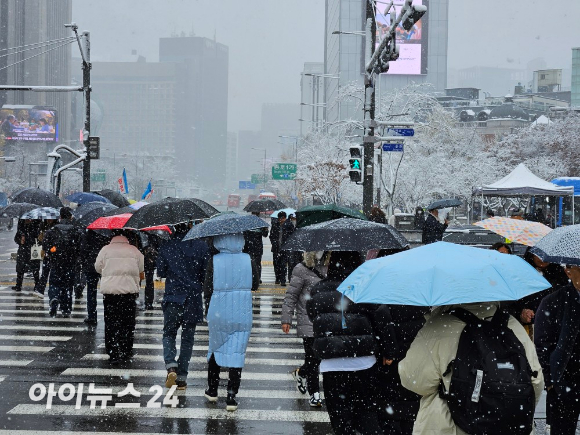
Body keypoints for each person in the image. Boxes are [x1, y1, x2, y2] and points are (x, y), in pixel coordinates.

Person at [399, 302, 544, 435]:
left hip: (450, 426)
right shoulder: (512, 325)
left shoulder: (438, 327)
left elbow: (415, 381)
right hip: (508, 427)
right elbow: (536, 382)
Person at [307, 251, 384, 435]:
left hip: (332, 364)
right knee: (366, 415)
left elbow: (313, 317)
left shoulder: (318, 289)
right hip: (364, 361)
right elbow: (378, 317)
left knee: (340, 419)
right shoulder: (365, 287)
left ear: (331, 264)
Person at [203, 233, 259, 411]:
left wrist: (208, 309)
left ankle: (212, 390)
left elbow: (207, 288)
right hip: (242, 312)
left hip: (219, 311)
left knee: (215, 348)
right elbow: (255, 284)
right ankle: (231, 396)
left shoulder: (215, 260)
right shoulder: (248, 259)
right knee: (237, 352)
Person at [156, 223, 210, 390]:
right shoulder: (201, 246)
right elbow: (205, 273)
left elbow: (161, 272)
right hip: (193, 298)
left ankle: (171, 365)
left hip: (173, 296)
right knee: (188, 338)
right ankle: (182, 378)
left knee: (169, 333)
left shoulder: (167, 245)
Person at [535, 264, 580, 434]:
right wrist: (550, 381)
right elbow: (542, 344)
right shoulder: (554, 301)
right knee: (562, 430)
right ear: (568, 270)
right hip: (564, 380)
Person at [373, 303, 429, 434]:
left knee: (390, 405)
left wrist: (388, 353)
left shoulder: (384, 309)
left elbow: (383, 333)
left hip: (390, 363)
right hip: (415, 361)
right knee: (411, 402)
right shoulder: (422, 309)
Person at [281, 251, 325, 407]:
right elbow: (291, 295)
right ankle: (314, 393)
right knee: (313, 357)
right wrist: (287, 318)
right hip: (308, 319)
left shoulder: (330, 267)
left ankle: (301, 373)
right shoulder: (301, 269)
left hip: (326, 319)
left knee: (318, 357)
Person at [95, 230, 144, 364]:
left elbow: (97, 267)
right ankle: (126, 350)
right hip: (128, 293)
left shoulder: (105, 250)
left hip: (111, 293)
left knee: (111, 323)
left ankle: (113, 353)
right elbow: (141, 268)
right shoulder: (134, 250)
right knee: (127, 323)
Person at [42, 208, 80, 317]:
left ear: (60, 217)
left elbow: (46, 246)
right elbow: (79, 248)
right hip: (70, 263)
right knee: (67, 287)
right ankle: (66, 309)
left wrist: (52, 251)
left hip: (56, 262)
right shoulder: (75, 230)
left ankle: (54, 297)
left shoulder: (53, 230)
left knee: (54, 283)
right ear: (70, 217)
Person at [81, 229, 111, 325]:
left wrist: (85, 261)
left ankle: (92, 316)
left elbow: (83, 249)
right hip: (105, 265)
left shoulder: (89, 232)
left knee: (91, 291)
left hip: (91, 265)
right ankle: (108, 314)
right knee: (107, 291)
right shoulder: (109, 233)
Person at [12, 219, 41, 292]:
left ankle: (37, 285)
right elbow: (16, 238)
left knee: (35, 268)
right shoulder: (21, 224)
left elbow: (39, 236)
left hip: (33, 249)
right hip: (23, 249)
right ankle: (18, 285)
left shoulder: (37, 223)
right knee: (20, 268)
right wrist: (20, 240)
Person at [243, 211, 268, 284]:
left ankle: (252, 278)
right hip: (257, 246)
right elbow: (265, 234)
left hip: (249, 246)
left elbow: (244, 234)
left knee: (250, 263)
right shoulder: (261, 223)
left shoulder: (246, 222)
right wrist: (265, 229)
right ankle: (257, 278)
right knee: (257, 263)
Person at [270, 212, 289, 285]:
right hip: (276, 248)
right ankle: (277, 278)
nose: (281, 220)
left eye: (283, 218)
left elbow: (291, 236)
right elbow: (271, 236)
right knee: (276, 264)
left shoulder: (288, 225)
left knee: (283, 264)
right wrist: (274, 243)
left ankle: (283, 280)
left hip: (284, 248)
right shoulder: (275, 226)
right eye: (280, 218)